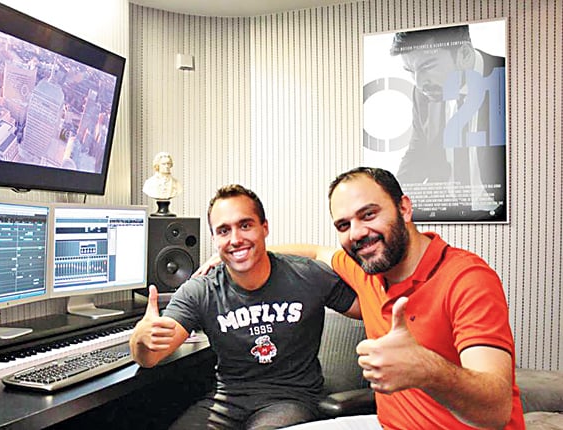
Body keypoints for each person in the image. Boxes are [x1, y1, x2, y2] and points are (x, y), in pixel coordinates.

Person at [196, 168, 524, 429]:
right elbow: (316, 252)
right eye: (344, 224)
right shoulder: (367, 268)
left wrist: (426, 369)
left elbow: (495, 410)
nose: (356, 233)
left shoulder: (467, 278)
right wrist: (240, 254)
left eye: (368, 215)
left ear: (404, 208)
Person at [130, 184, 359, 430]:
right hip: (226, 403)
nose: (235, 239)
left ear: (265, 228)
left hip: (292, 400)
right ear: (214, 239)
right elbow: (149, 358)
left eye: (245, 226)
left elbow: (371, 309)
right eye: (224, 231)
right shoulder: (201, 289)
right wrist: (140, 339)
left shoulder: (307, 275)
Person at [391, 25, 506, 218]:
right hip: (450, 215)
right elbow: (418, 153)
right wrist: (388, 201)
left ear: (465, 55)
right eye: (410, 71)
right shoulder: (423, 93)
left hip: (505, 216)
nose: (419, 83)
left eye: (427, 67)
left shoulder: (510, 76)